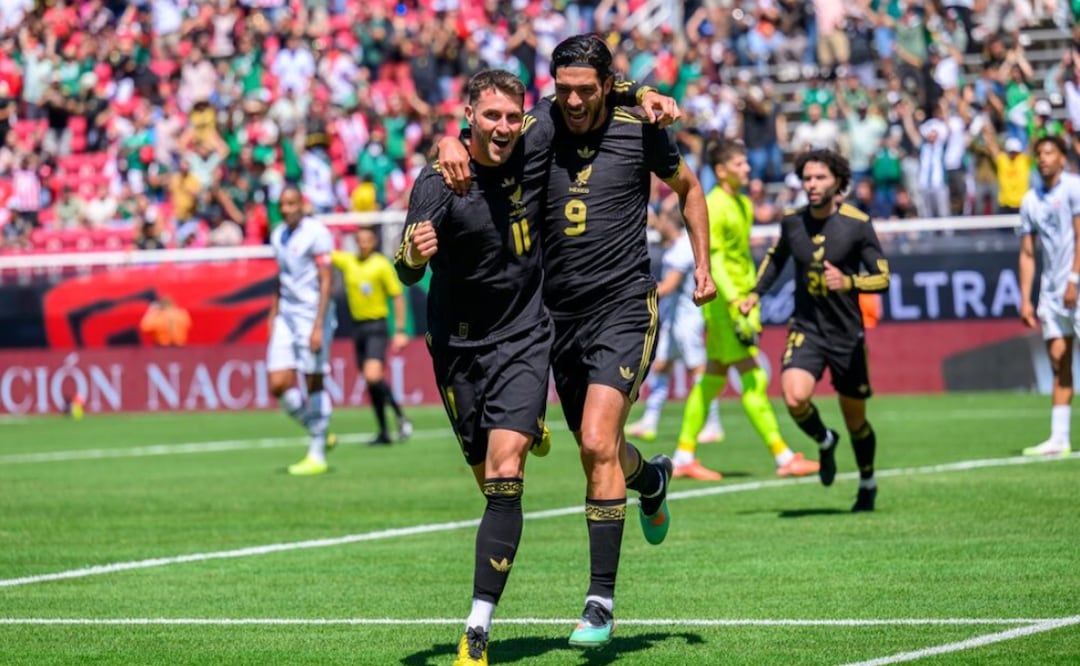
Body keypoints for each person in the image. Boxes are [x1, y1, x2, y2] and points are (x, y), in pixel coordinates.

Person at [439, 37, 716, 648]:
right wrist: (444, 144)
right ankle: (653, 480)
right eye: (563, 88)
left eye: (586, 89)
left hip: (622, 308)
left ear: (608, 84)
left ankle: (600, 602)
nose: (573, 100)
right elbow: (485, 141)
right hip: (549, 318)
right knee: (604, 449)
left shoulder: (639, 125)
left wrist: (703, 265)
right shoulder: (536, 124)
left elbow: (690, 190)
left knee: (595, 442)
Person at [395, 70, 554, 666]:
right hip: (458, 347)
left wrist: (642, 94)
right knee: (491, 485)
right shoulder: (439, 182)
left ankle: (477, 626)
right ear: (468, 115)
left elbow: (584, 87)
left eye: (512, 117)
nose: (504, 128)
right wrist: (411, 256)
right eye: (491, 117)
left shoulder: (536, 139)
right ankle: (527, 422)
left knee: (506, 468)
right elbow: (407, 269)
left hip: (523, 332)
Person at [739, 148, 890, 512]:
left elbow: (883, 277)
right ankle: (824, 440)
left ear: (838, 180)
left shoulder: (857, 223)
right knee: (793, 397)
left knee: (857, 421)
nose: (812, 184)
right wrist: (754, 294)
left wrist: (850, 281)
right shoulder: (793, 222)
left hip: (846, 335)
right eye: (807, 178)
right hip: (807, 328)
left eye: (820, 177)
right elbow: (776, 260)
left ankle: (867, 482)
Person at [673, 139, 820, 482]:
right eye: (740, 164)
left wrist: (750, 295)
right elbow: (717, 258)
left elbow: (738, 257)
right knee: (753, 375)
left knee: (711, 379)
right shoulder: (714, 205)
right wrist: (734, 300)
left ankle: (683, 455)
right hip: (727, 304)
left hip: (739, 300)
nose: (748, 169)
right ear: (721, 170)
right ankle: (782, 455)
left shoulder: (741, 204)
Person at [626, 204, 724, 445]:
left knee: (698, 370)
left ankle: (713, 423)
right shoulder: (674, 248)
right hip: (672, 321)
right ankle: (649, 421)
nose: (656, 224)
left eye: (660, 220)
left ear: (670, 223)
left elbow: (669, 286)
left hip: (687, 321)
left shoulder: (682, 250)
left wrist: (633, 296)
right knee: (661, 366)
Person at [266, 184, 338, 476]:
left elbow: (326, 280)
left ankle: (317, 454)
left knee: (312, 381)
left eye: (291, 203)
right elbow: (281, 278)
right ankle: (318, 429)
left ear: (302, 204)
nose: (286, 209)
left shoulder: (317, 233)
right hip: (287, 316)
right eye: (282, 204)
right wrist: (273, 313)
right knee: (278, 384)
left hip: (311, 316)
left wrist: (319, 325)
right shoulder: (278, 235)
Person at [1018, 135, 1080, 458]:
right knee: (1058, 358)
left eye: (1049, 153)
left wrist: (1074, 278)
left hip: (1076, 285)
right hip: (1052, 291)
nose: (1043, 159)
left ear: (1062, 157)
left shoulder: (1073, 187)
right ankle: (1059, 437)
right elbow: (1028, 253)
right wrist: (1026, 298)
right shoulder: (1030, 200)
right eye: (1039, 154)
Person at [331, 226, 412, 446]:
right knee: (371, 382)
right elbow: (325, 253)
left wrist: (401, 330)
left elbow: (397, 296)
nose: (364, 243)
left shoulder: (381, 265)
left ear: (374, 242)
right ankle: (384, 431)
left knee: (373, 376)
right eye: (360, 240)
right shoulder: (349, 262)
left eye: (367, 240)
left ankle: (401, 417)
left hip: (377, 325)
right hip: (357, 328)